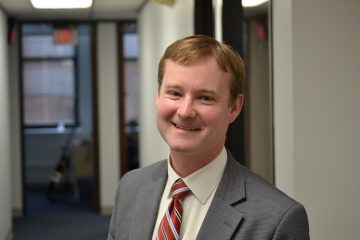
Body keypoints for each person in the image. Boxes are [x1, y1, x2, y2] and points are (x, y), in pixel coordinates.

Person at [107, 35, 309, 240]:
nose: (185, 111)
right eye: (175, 93)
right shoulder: (130, 188)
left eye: (205, 98)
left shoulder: (278, 219)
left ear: (234, 107)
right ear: (158, 96)